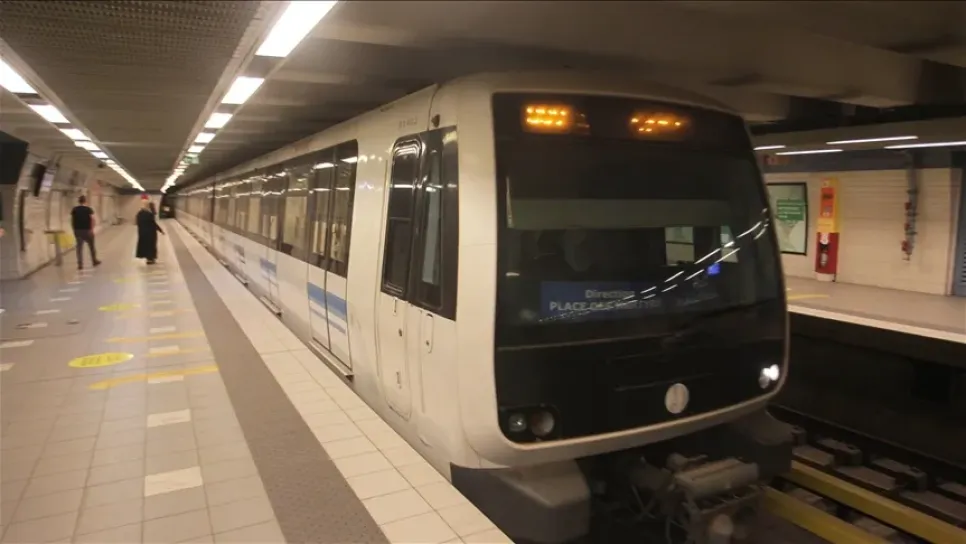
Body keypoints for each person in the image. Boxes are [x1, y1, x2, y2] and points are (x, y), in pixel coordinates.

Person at [71, 195, 101, 269]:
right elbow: (92, 219)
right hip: (87, 230)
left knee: (79, 248)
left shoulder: (74, 209)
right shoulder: (88, 209)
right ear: (85, 201)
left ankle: (80, 264)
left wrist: (74, 229)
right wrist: (91, 229)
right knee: (91, 247)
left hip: (78, 230)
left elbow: (72, 220)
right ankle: (94, 261)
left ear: (79, 201)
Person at [136, 198, 164, 264]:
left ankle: (149, 259)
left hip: (142, 232)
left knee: (146, 245)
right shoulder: (149, 214)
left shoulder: (139, 213)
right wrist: (160, 230)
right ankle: (150, 259)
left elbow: (138, 223)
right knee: (151, 245)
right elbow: (153, 223)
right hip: (150, 233)